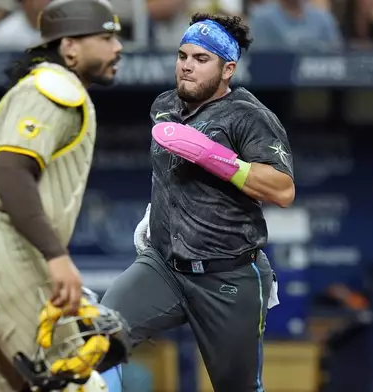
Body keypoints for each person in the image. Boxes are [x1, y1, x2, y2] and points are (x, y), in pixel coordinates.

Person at [100, 13, 295, 392]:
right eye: (183, 55)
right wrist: (159, 214)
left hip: (227, 274)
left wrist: (215, 158)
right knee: (99, 334)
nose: (187, 66)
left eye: (201, 59)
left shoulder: (249, 117)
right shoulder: (164, 105)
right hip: (164, 266)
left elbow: (283, 189)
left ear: (227, 69)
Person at [0, 0, 124, 391]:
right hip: (1, 250)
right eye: (105, 38)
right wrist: (56, 256)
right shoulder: (54, 85)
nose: (117, 47)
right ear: (70, 47)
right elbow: (12, 172)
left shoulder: (46, 85)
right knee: (76, 383)